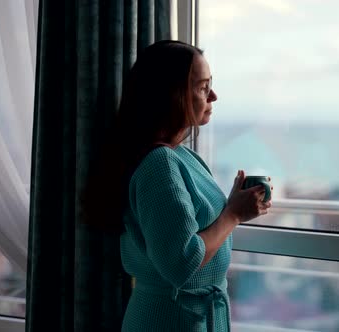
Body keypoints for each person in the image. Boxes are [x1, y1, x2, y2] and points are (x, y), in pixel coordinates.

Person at [82, 40, 272, 331]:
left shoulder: (181, 156)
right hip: (171, 319)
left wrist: (235, 204)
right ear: (172, 95)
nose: (214, 96)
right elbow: (182, 262)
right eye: (203, 88)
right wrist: (233, 214)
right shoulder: (160, 164)